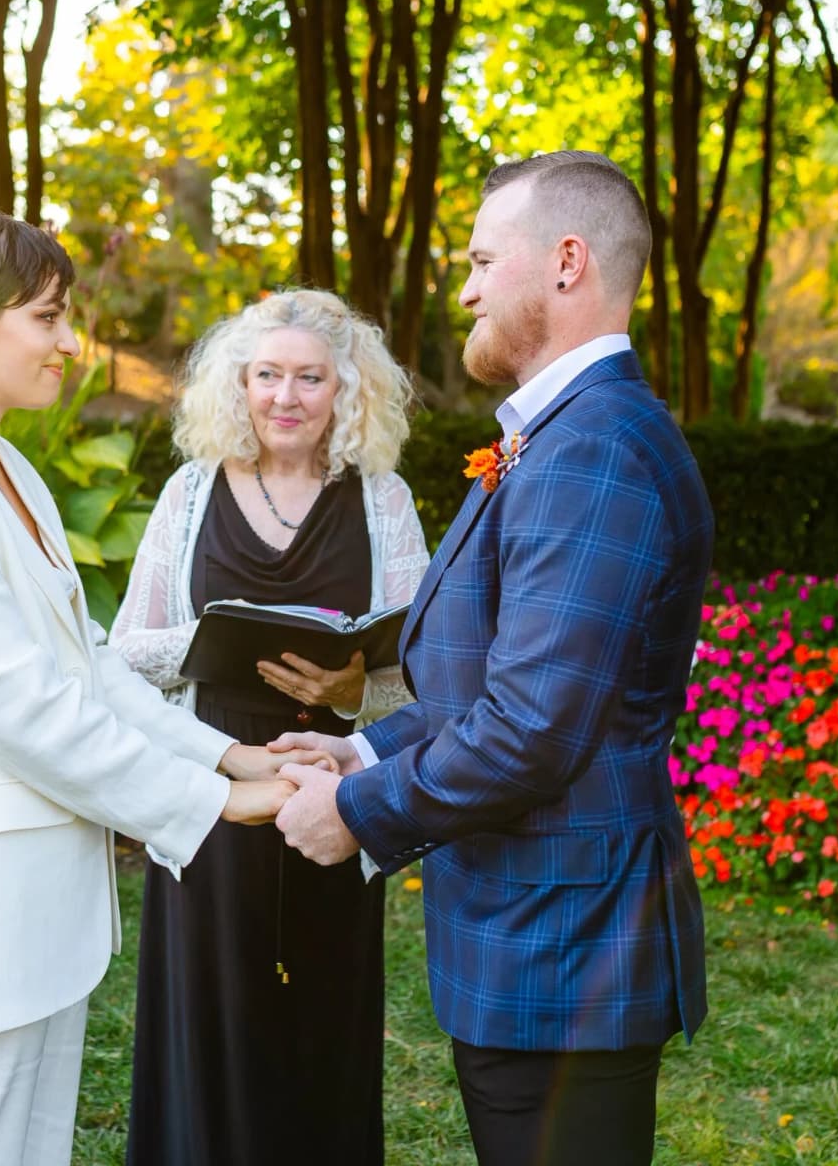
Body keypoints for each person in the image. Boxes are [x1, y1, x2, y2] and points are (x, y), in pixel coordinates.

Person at [0, 203, 323, 1166]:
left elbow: (89, 666)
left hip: (35, 924)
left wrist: (228, 749)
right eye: (48, 318)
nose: (70, 343)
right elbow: (28, 713)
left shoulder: (8, 466)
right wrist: (220, 801)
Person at [272, 152, 713, 1166]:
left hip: (569, 949)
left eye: (479, 260)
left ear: (566, 262)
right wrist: (365, 755)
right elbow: (493, 680)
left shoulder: (595, 445)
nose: (463, 287)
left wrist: (355, 816)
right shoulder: (552, 434)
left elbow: (533, 728)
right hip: (532, 939)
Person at [109, 290, 429, 1165]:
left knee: (322, 1019)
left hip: (333, 788)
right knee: (214, 1021)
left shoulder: (383, 500)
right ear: (237, 385)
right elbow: (126, 650)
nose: (286, 398)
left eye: (310, 379)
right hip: (213, 789)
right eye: (267, 376)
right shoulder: (188, 493)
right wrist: (215, 639)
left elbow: (431, 667)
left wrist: (357, 681)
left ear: (346, 390)